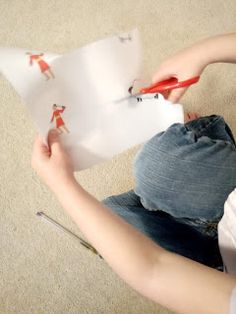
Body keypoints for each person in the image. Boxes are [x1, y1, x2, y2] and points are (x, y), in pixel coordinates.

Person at [31, 33, 236, 314]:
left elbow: (152, 270)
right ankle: (185, 168)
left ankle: (178, 195)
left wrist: (63, 184)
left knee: (111, 219)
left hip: (218, 268)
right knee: (155, 170)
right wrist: (201, 53)